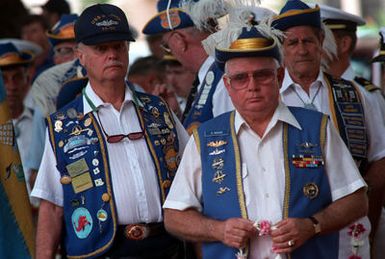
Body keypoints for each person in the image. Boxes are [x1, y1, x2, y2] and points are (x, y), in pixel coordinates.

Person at [163, 22, 368, 259]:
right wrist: (218, 230)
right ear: (228, 86)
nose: (253, 86)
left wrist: (313, 225)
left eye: (262, 75)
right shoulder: (205, 137)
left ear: (280, 77)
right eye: (241, 78)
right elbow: (174, 216)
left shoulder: (317, 127)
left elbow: (356, 200)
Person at [31, 4, 189, 258]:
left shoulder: (158, 110)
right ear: (80, 55)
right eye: (101, 49)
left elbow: (192, 178)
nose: (112, 55)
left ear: (127, 50)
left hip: (166, 248)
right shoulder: (63, 125)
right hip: (98, 252)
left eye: (118, 46)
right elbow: (51, 208)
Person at [272, 1, 385, 258]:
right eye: (293, 43)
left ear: (322, 41)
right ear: (282, 48)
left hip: (346, 229)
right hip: (289, 226)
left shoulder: (353, 93)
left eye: (308, 41)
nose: (302, 50)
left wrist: (355, 195)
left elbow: (380, 158)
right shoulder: (270, 97)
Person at [143, 0, 234, 134]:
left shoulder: (223, 78)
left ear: (179, 41)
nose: (171, 52)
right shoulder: (217, 73)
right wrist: (176, 115)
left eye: (167, 46)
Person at [315, 3, 385, 122]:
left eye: (321, 38)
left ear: (344, 44)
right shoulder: (313, 89)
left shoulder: (366, 95)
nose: (313, 46)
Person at [0, 42, 35, 193]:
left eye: (17, 77)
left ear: (26, 80)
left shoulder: (41, 122)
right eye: (3, 79)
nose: (12, 86)